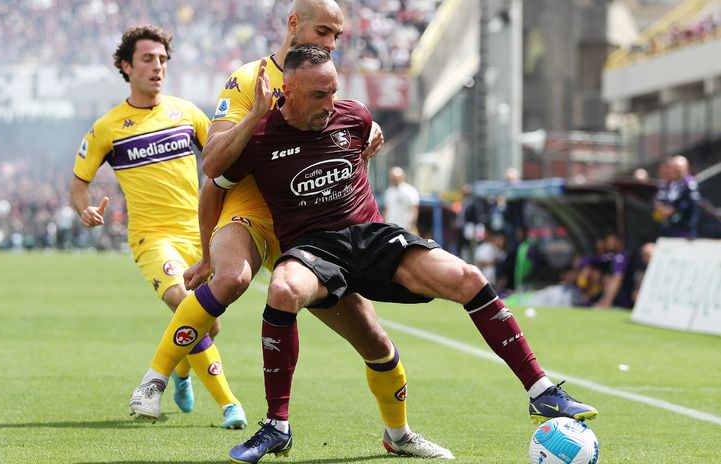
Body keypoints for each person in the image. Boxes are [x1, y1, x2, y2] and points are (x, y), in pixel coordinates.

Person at [215, 44, 598, 462]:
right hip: (313, 248)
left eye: (333, 91)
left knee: (469, 277)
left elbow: (360, 139)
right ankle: (277, 426)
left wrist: (364, 126)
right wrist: (252, 117)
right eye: (318, 95)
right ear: (286, 89)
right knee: (284, 290)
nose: (329, 103)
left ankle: (541, 392)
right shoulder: (259, 136)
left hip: (371, 237)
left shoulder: (354, 116)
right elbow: (212, 174)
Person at [145, 0, 451, 460]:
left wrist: (366, 136)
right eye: (323, 32)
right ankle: (157, 378)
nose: (330, 43)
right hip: (256, 214)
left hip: (315, 237)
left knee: (375, 339)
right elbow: (214, 170)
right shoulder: (250, 81)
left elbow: (344, 148)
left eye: (336, 36)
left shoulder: (326, 86)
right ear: (294, 24)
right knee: (231, 278)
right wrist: (208, 253)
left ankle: (399, 434)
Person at [70, 25, 247, 429]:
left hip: (201, 235)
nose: (157, 67)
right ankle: (229, 404)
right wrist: (85, 210)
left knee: (210, 323)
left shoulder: (187, 113)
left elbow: (223, 157)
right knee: (182, 302)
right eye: (148, 59)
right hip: (153, 239)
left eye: (163, 60)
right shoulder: (108, 128)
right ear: (126, 67)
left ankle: (183, 371)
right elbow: (78, 184)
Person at [654, 155, 701, 239]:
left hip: (685, 229)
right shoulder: (669, 184)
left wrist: (672, 210)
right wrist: (660, 207)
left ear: (686, 169)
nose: (676, 171)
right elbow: (660, 199)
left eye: (679, 169)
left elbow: (690, 205)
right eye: (674, 169)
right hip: (669, 228)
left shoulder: (689, 184)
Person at [383, 166, 420, 232]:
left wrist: (411, 225)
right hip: (390, 226)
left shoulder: (410, 191)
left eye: (395, 178)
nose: (393, 180)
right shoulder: (389, 191)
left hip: (404, 227)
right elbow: (387, 209)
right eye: (392, 178)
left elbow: (414, 209)